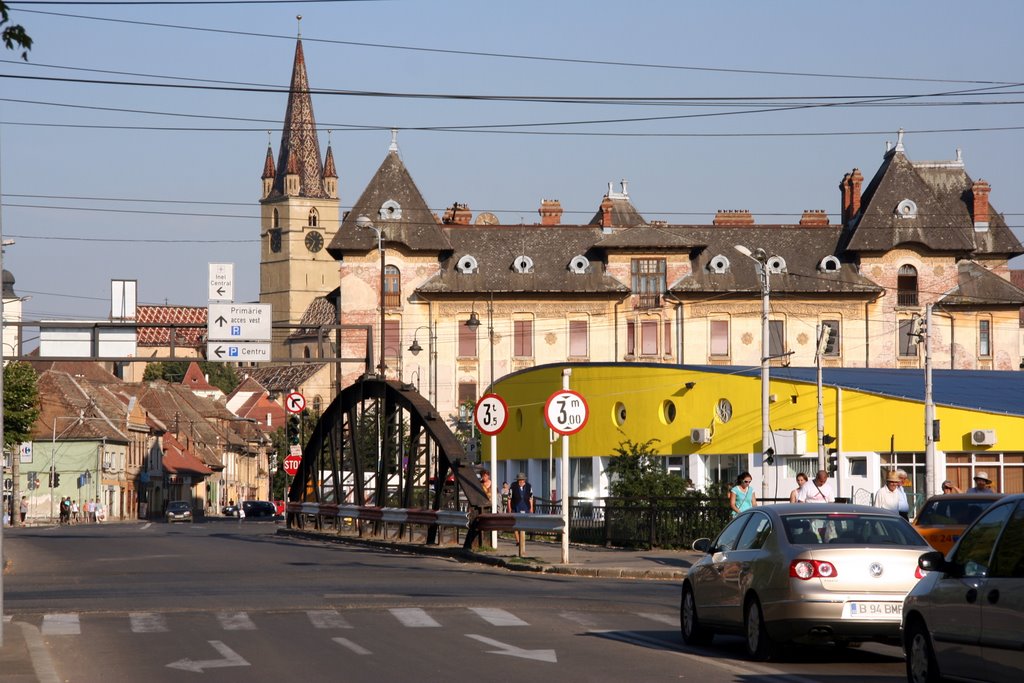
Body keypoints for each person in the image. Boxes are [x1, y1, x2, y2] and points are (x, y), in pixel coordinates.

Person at [508, 472, 534, 546]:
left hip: (525, 506)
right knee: (515, 524)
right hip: (515, 506)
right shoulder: (513, 486)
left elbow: (531, 498)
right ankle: (518, 541)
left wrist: (531, 508)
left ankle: (522, 540)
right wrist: (509, 508)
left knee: (524, 524)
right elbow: (509, 498)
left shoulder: (529, 486)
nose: (521, 482)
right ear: (517, 480)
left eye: (523, 480)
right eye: (520, 480)